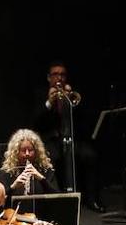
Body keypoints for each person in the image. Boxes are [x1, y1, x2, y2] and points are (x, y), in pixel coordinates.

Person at [33, 63, 102, 211]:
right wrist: (49, 103)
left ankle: (92, 200)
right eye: (55, 74)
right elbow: (35, 121)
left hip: (73, 139)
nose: (59, 78)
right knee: (53, 160)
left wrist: (71, 102)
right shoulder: (40, 94)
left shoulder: (71, 93)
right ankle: (57, 202)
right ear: (48, 77)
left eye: (62, 74)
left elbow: (84, 119)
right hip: (52, 139)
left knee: (91, 156)